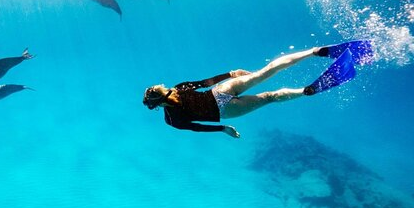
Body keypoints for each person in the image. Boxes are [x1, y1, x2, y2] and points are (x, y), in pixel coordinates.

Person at [142, 40, 373, 138]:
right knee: (266, 71)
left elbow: (198, 128)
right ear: (161, 91)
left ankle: (307, 91)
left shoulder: (171, 120)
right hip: (220, 91)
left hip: (224, 109)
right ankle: (314, 52)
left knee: (270, 97)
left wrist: (224, 129)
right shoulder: (178, 88)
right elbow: (205, 83)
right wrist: (230, 74)